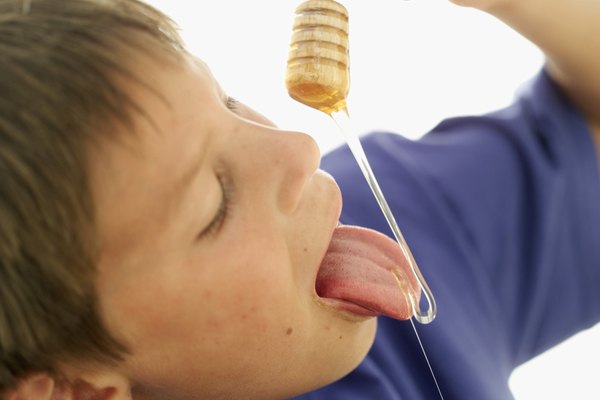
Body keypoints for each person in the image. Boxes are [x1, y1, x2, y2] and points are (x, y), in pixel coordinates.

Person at [0, 1, 598, 400]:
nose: (299, 147)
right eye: (215, 204)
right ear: (78, 390)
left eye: (229, 102)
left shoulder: (380, 239)